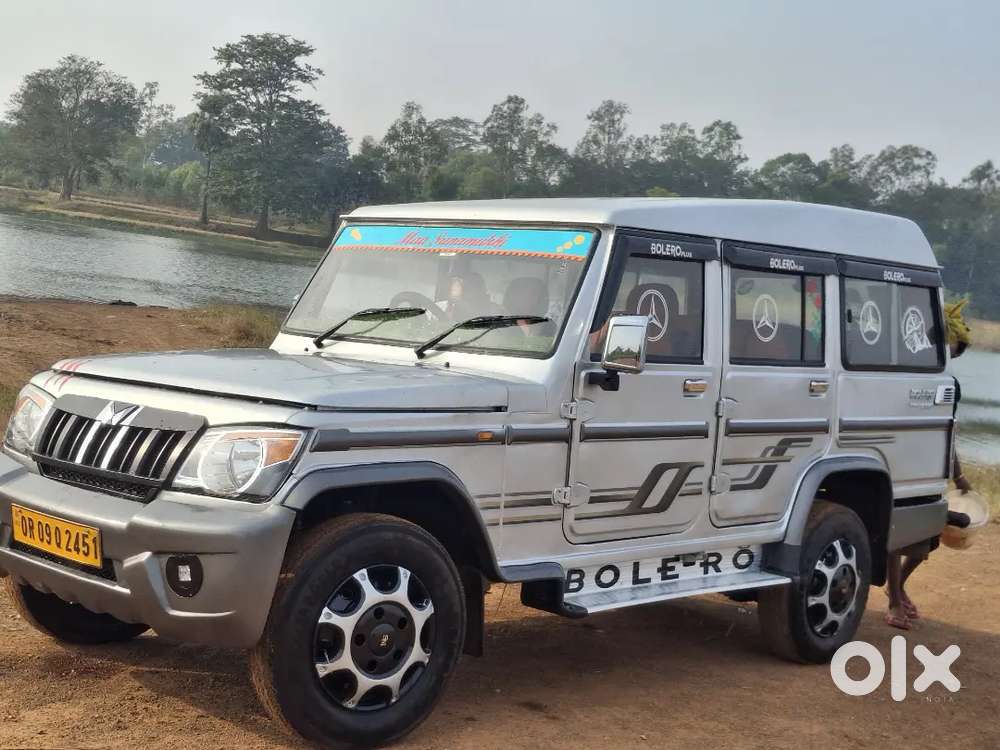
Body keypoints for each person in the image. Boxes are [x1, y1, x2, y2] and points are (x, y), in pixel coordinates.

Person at [885, 299, 973, 629]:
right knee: (898, 534)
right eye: (953, 348)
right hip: (899, 463)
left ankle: (900, 587)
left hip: (927, 467)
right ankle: (894, 598)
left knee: (924, 541)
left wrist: (957, 474)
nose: (954, 355)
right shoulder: (906, 373)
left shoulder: (949, 385)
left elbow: (947, 434)